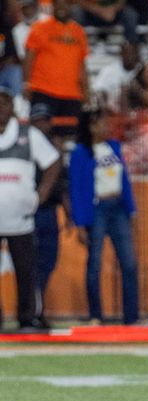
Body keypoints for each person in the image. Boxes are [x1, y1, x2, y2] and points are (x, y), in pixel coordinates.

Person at [69, 108, 140, 325]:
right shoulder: (80, 152)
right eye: (102, 123)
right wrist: (80, 223)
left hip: (117, 206)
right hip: (97, 208)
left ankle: (131, 317)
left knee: (129, 263)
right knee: (95, 263)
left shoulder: (114, 147)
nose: (107, 126)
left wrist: (131, 209)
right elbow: (77, 189)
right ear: (91, 127)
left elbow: (124, 180)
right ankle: (95, 315)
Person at [0, 87, 60, 331]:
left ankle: (29, 317)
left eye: (4, 103)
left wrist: (41, 193)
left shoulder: (29, 134)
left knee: (26, 271)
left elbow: (53, 161)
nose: (1, 108)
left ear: (12, 107)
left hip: (21, 218)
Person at [30, 102, 69, 328]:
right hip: (32, 212)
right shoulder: (26, 146)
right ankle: (34, 310)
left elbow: (61, 185)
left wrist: (68, 213)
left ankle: (38, 308)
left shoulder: (54, 148)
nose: (42, 125)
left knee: (48, 262)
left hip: (50, 212)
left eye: (45, 120)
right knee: (33, 264)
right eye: (38, 121)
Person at [23, 0, 89, 136]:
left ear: (71, 5)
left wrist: (86, 92)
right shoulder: (39, 27)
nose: (61, 7)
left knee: (69, 136)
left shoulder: (79, 32)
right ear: (52, 6)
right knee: (40, 132)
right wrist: (26, 84)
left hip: (71, 94)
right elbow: (29, 58)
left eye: (65, 3)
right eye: (57, 3)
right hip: (43, 90)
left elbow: (81, 64)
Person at [92, 41, 141, 113]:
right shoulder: (109, 70)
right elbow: (98, 90)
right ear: (121, 54)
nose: (130, 56)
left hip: (137, 111)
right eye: (127, 53)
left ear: (137, 55)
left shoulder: (142, 71)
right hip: (112, 111)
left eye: (133, 53)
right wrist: (105, 108)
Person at [72, 0, 140, 44]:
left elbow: (122, 1)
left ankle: (130, 47)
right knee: (76, 12)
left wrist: (113, 9)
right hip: (92, 12)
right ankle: (77, 45)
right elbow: (80, 1)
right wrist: (98, 10)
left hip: (113, 12)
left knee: (130, 13)